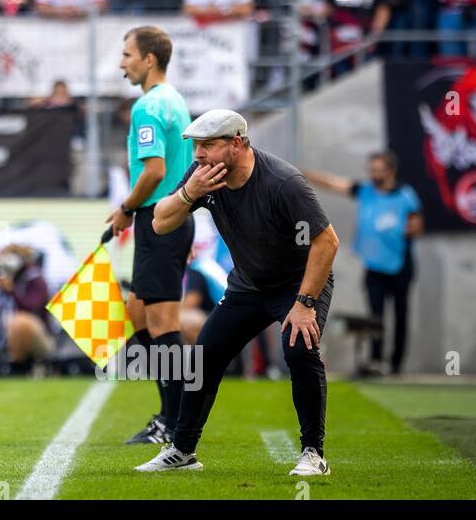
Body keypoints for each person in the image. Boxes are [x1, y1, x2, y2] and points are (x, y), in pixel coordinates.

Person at [136, 109, 341, 477]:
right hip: (248, 285)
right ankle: (183, 451)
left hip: (298, 284)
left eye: (207, 145)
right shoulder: (203, 177)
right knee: (203, 358)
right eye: (195, 145)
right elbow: (160, 222)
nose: (198, 154)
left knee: (299, 348)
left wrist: (305, 303)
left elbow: (326, 242)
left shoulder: (282, 182)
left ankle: (314, 454)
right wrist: (188, 192)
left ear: (236, 143)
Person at [107, 26, 194, 445]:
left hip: (159, 219)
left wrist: (125, 209)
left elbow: (155, 171)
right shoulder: (175, 100)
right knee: (138, 312)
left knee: (161, 323)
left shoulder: (148, 107)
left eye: (127, 55)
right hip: (169, 219)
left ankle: (176, 424)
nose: (122, 63)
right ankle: (171, 416)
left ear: (149, 60)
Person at [305, 152, 423, 375]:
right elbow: (334, 184)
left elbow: (417, 225)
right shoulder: (366, 192)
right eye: (372, 170)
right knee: (375, 315)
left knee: (400, 315)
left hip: (400, 265)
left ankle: (396, 365)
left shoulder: (406, 196)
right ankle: (375, 361)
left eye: (379, 170)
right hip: (374, 266)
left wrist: (394, 229)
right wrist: (304, 174)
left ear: (390, 171)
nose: (374, 174)